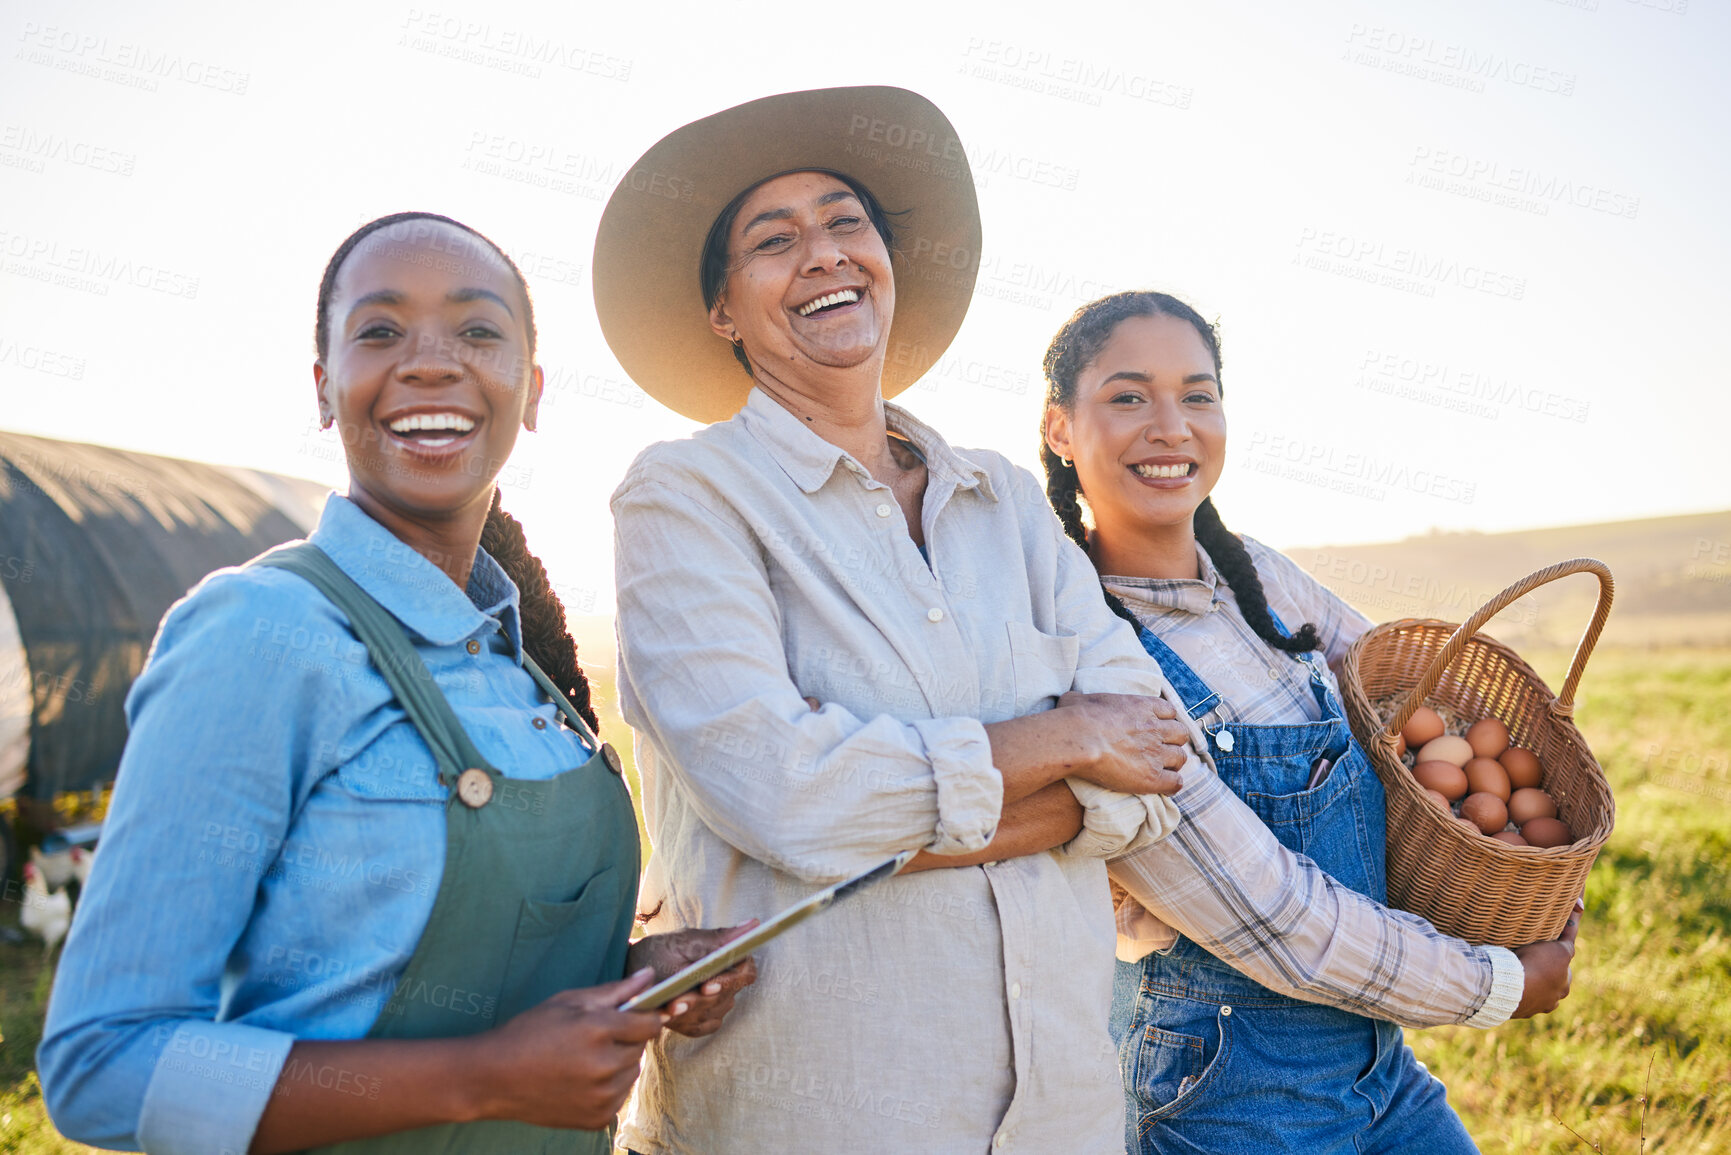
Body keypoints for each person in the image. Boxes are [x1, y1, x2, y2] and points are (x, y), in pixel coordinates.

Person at [37, 212, 754, 1155]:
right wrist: (485, 1075)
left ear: (530, 391)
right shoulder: (263, 632)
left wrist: (626, 976)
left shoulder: (518, 669)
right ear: (326, 388)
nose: (429, 362)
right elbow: (102, 1066)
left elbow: (395, 964)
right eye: (379, 332)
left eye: (478, 330)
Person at [593, 86, 1200, 1154]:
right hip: (819, 1115)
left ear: (887, 261)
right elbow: (782, 792)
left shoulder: (1006, 499)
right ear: (724, 312)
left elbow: (1157, 768)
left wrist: (877, 833)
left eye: (846, 223)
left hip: (1062, 1117)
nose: (823, 254)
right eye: (773, 241)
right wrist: (1065, 742)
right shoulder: (688, 499)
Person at [1040, 289, 1582, 1152]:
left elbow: (1411, 699)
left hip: (1375, 1058)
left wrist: (1526, 858)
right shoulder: (1091, 654)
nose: (1171, 425)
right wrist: (1495, 981)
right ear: (1060, 429)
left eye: (1198, 394)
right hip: (1228, 1078)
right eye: (1128, 396)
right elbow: (1282, 921)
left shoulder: (1250, 574)